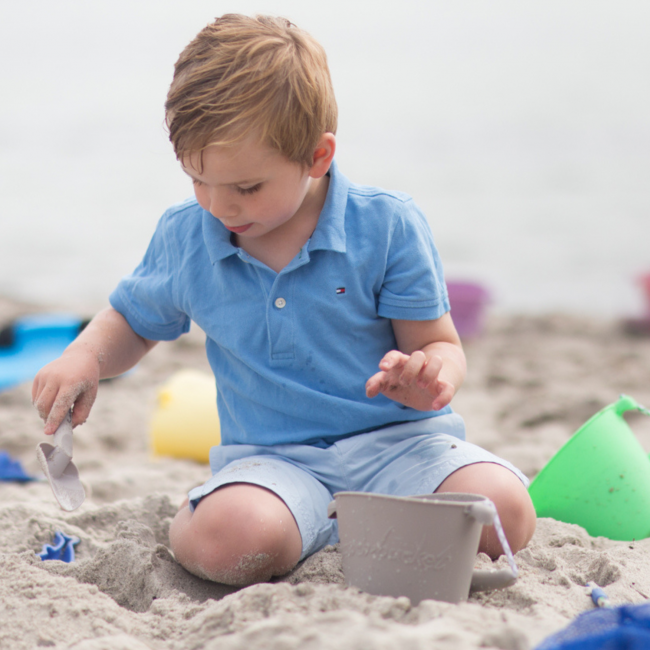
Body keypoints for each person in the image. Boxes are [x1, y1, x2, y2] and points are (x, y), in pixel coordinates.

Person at [32, 14, 536, 586]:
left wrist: (430, 378)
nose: (221, 205)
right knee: (233, 542)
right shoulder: (186, 235)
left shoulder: (387, 225)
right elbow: (134, 319)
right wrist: (85, 356)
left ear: (318, 157)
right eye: (199, 180)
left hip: (401, 449)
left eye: (247, 187)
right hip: (275, 465)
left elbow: (438, 343)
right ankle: (213, 517)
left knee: (504, 513)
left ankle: (354, 526)